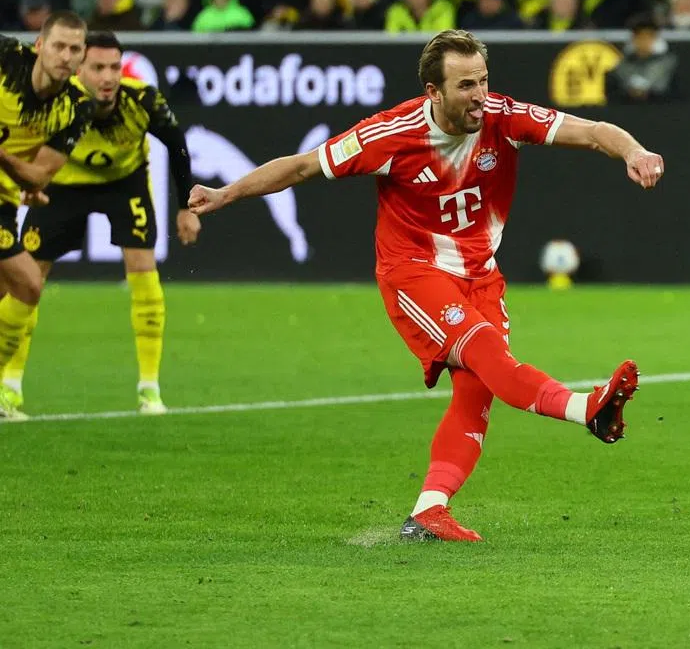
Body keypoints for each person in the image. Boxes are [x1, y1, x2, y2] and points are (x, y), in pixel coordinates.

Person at [188, 29, 665, 541]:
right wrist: (227, 193)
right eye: (465, 86)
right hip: (413, 273)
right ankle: (586, 409)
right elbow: (303, 166)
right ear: (432, 93)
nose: (479, 95)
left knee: (476, 393)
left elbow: (593, 131)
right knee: (488, 356)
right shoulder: (390, 134)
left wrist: (634, 152)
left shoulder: (503, 117)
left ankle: (429, 511)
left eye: (483, 81)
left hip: (480, 275)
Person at [6, 31, 200, 415]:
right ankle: (9, 386)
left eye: (114, 67)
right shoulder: (59, 103)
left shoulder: (142, 100)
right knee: (28, 279)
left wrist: (185, 206)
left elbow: (176, 142)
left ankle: (150, 388)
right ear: (79, 70)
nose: (108, 77)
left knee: (143, 269)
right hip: (60, 186)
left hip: (123, 183)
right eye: (98, 68)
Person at [0, 11, 93, 421]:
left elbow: (39, 174)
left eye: (74, 49)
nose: (65, 55)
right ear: (39, 45)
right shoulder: (6, 56)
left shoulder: (77, 108)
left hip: (4, 199)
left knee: (18, 290)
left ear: (82, 56)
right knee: (27, 283)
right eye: (58, 45)